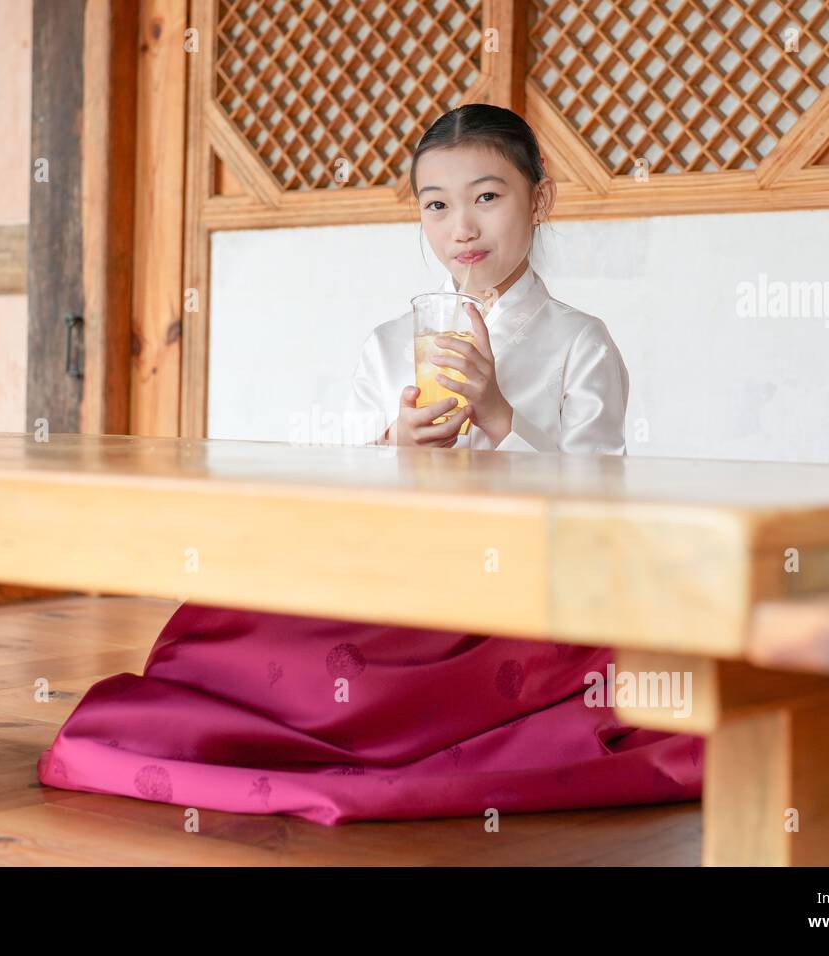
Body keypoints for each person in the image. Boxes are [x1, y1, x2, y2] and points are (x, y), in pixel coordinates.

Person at [36, 104, 703, 825]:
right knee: (233, 621)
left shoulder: (582, 342)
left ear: (538, 200)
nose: (463, 228)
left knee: (355, 677)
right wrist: (398, 449)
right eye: (437, 206)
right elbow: (349, 488)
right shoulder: (390, 344)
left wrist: (503, 418)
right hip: (404, 562)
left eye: (488, 197)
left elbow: (604, 498)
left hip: (526, 582)